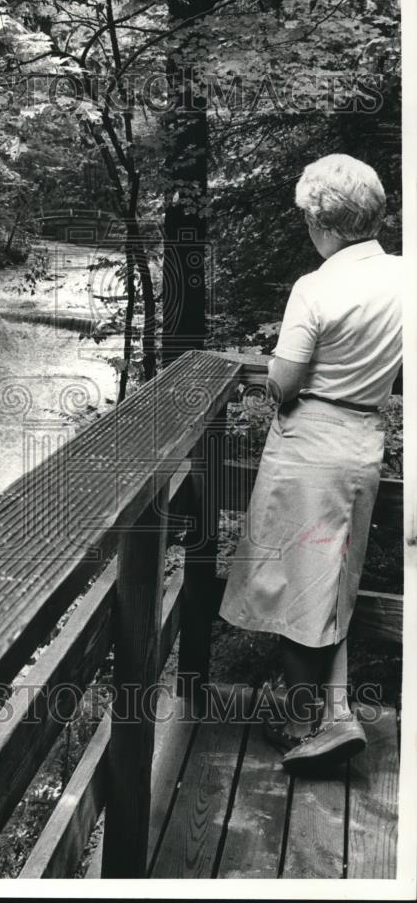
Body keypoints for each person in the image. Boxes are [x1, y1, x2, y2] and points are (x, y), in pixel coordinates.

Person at [219, 153, 403, 771]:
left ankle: (306, 724)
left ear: (323, 223)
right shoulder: (404, 276)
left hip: (312, 444)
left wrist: (272, 364)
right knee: (333, 575)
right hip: (362, 439)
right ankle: (334, 711)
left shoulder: (317, 287)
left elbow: (285, 382)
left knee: (304, 582)